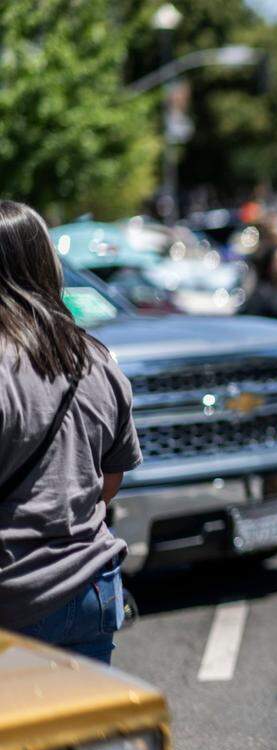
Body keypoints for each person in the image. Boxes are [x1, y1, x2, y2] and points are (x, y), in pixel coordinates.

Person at [0, 200, 141, 663]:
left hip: (14, 596)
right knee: (79, 734)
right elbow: (110, 479)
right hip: (90, 588)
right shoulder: (96, 357)